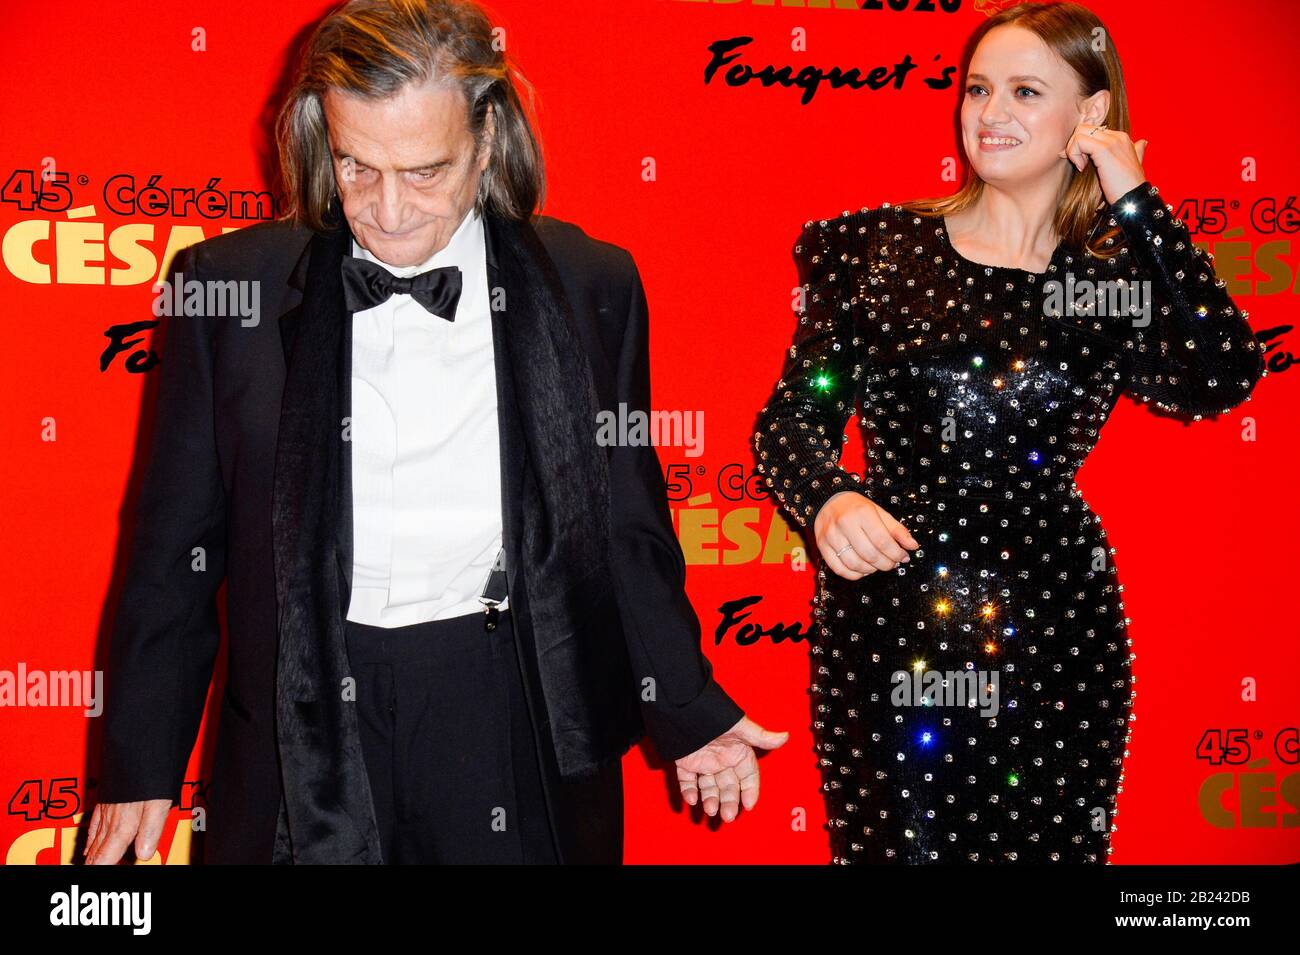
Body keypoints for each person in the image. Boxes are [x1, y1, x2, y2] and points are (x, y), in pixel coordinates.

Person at [87, 0, 786, 865]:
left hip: (508, 708)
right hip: (300, 722)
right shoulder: (228, 287)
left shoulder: (589, 282)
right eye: (356, 165)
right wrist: (140, 763)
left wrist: (688, 708)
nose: (386, 209)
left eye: (424, 171)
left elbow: (624, 525)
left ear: (487, 142)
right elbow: (170, 554)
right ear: (320, 138)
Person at [753, 0, 1266, 864]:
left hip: (1061, 638)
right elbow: (792, 419)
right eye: (977, 89)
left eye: (1026, 92)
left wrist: (1135, 202)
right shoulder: (876, 250)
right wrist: (828, 494)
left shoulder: (1104, 284)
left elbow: (1221, 374)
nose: (990, 115)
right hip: (893, 632)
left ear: (1091, 115)